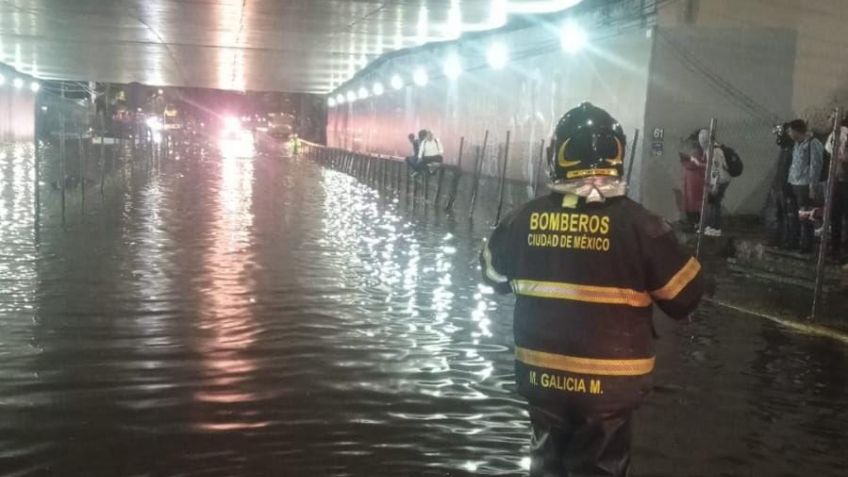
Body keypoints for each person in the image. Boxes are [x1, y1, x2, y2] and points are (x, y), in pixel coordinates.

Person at [480, 102, 704, 477]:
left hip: (541, 380)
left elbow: (491, 276)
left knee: (546, 463)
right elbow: (686, 296)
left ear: (559, 156)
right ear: (617, 156)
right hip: (610, 389)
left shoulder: (522, 218)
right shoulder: (643, 226)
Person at [786, 119, 824, 253]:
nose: (789, 133)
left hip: (804, 184)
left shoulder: (813, 144)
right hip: (794, 183)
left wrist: (812, 186)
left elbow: (816, 166)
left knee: (805, 216)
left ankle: (806, 245)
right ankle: (794, 241)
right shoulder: (797, 144)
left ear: (797, 131)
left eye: (790, 130)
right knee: (793, 215)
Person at [699, 129, 732, 237]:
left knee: (714, 203)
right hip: (722, 179)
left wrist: (715, 186)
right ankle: (711, 226)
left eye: (702, 139)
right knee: (713, 203)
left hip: (720, 180)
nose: (700, 141)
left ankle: (714, 228)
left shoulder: (713, 151)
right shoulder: (713, 148)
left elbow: (716, 169)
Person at [825, 115, 848, 259]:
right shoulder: (837, 134)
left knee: (836, 216)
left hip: (838, 180)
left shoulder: (837, 134)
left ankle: (836, 248)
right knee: (838, 216)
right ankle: (840, 248)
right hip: (839, 180)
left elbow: (829, 150)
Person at [680, 132, 706, 229]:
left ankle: (694, 224)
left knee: (691, 205)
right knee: (696, 205)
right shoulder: (703, 154)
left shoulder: (693, 155)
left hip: (692, 183)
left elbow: (690, 165)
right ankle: (696, 224)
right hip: (697, 182)